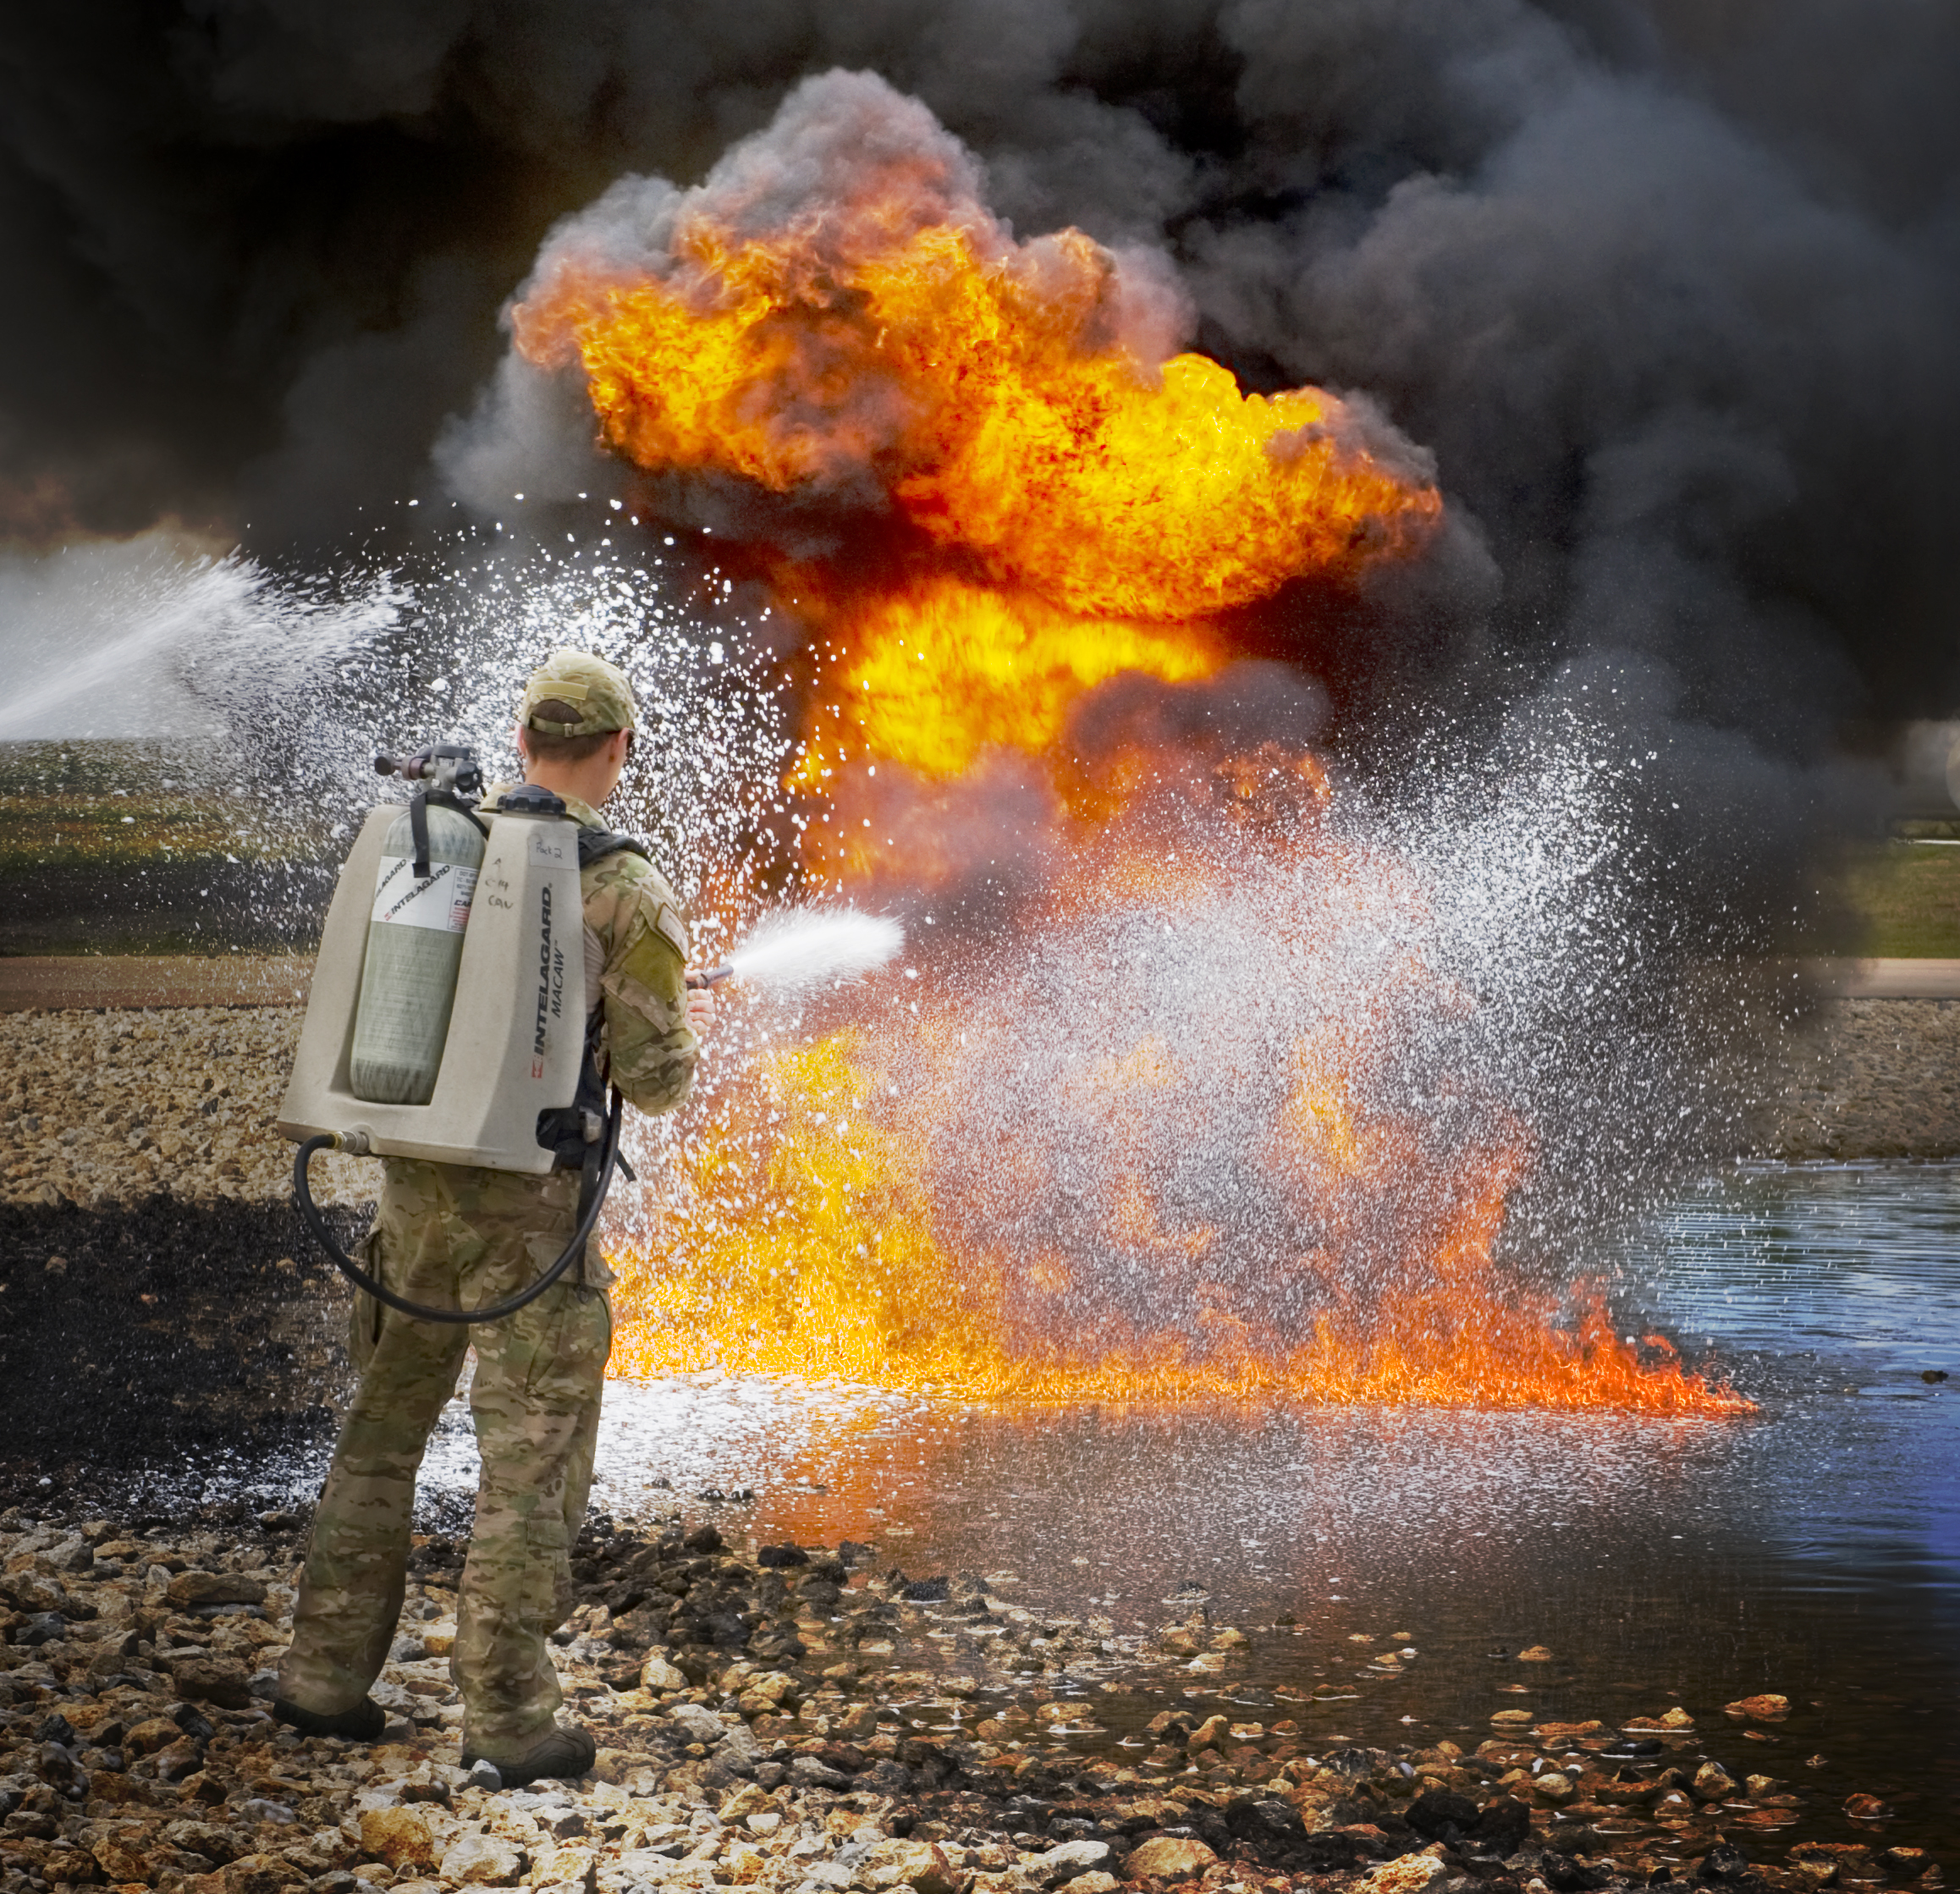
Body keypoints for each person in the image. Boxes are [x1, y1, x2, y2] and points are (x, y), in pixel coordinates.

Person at [273, 648, 714, 1785]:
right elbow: (657, 1078)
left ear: (522, 742)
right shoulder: (624, 883)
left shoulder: (450, 844)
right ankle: (510, 1719)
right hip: (533, 1223)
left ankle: (321, 1677)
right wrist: (668, 1022)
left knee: (381, 1430)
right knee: (528, 1459)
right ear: (617, 748)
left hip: (414, 1196)